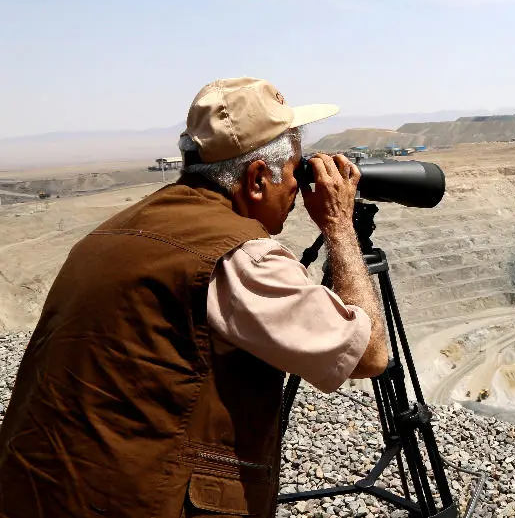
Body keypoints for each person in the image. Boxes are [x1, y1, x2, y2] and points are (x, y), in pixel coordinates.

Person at [0, 77, 389, 518]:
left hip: (37, 489)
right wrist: (340, 225)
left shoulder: (115, 229)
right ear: (257, 179)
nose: (299, 189)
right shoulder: (240, 257)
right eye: (296, 173)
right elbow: (369, 355)